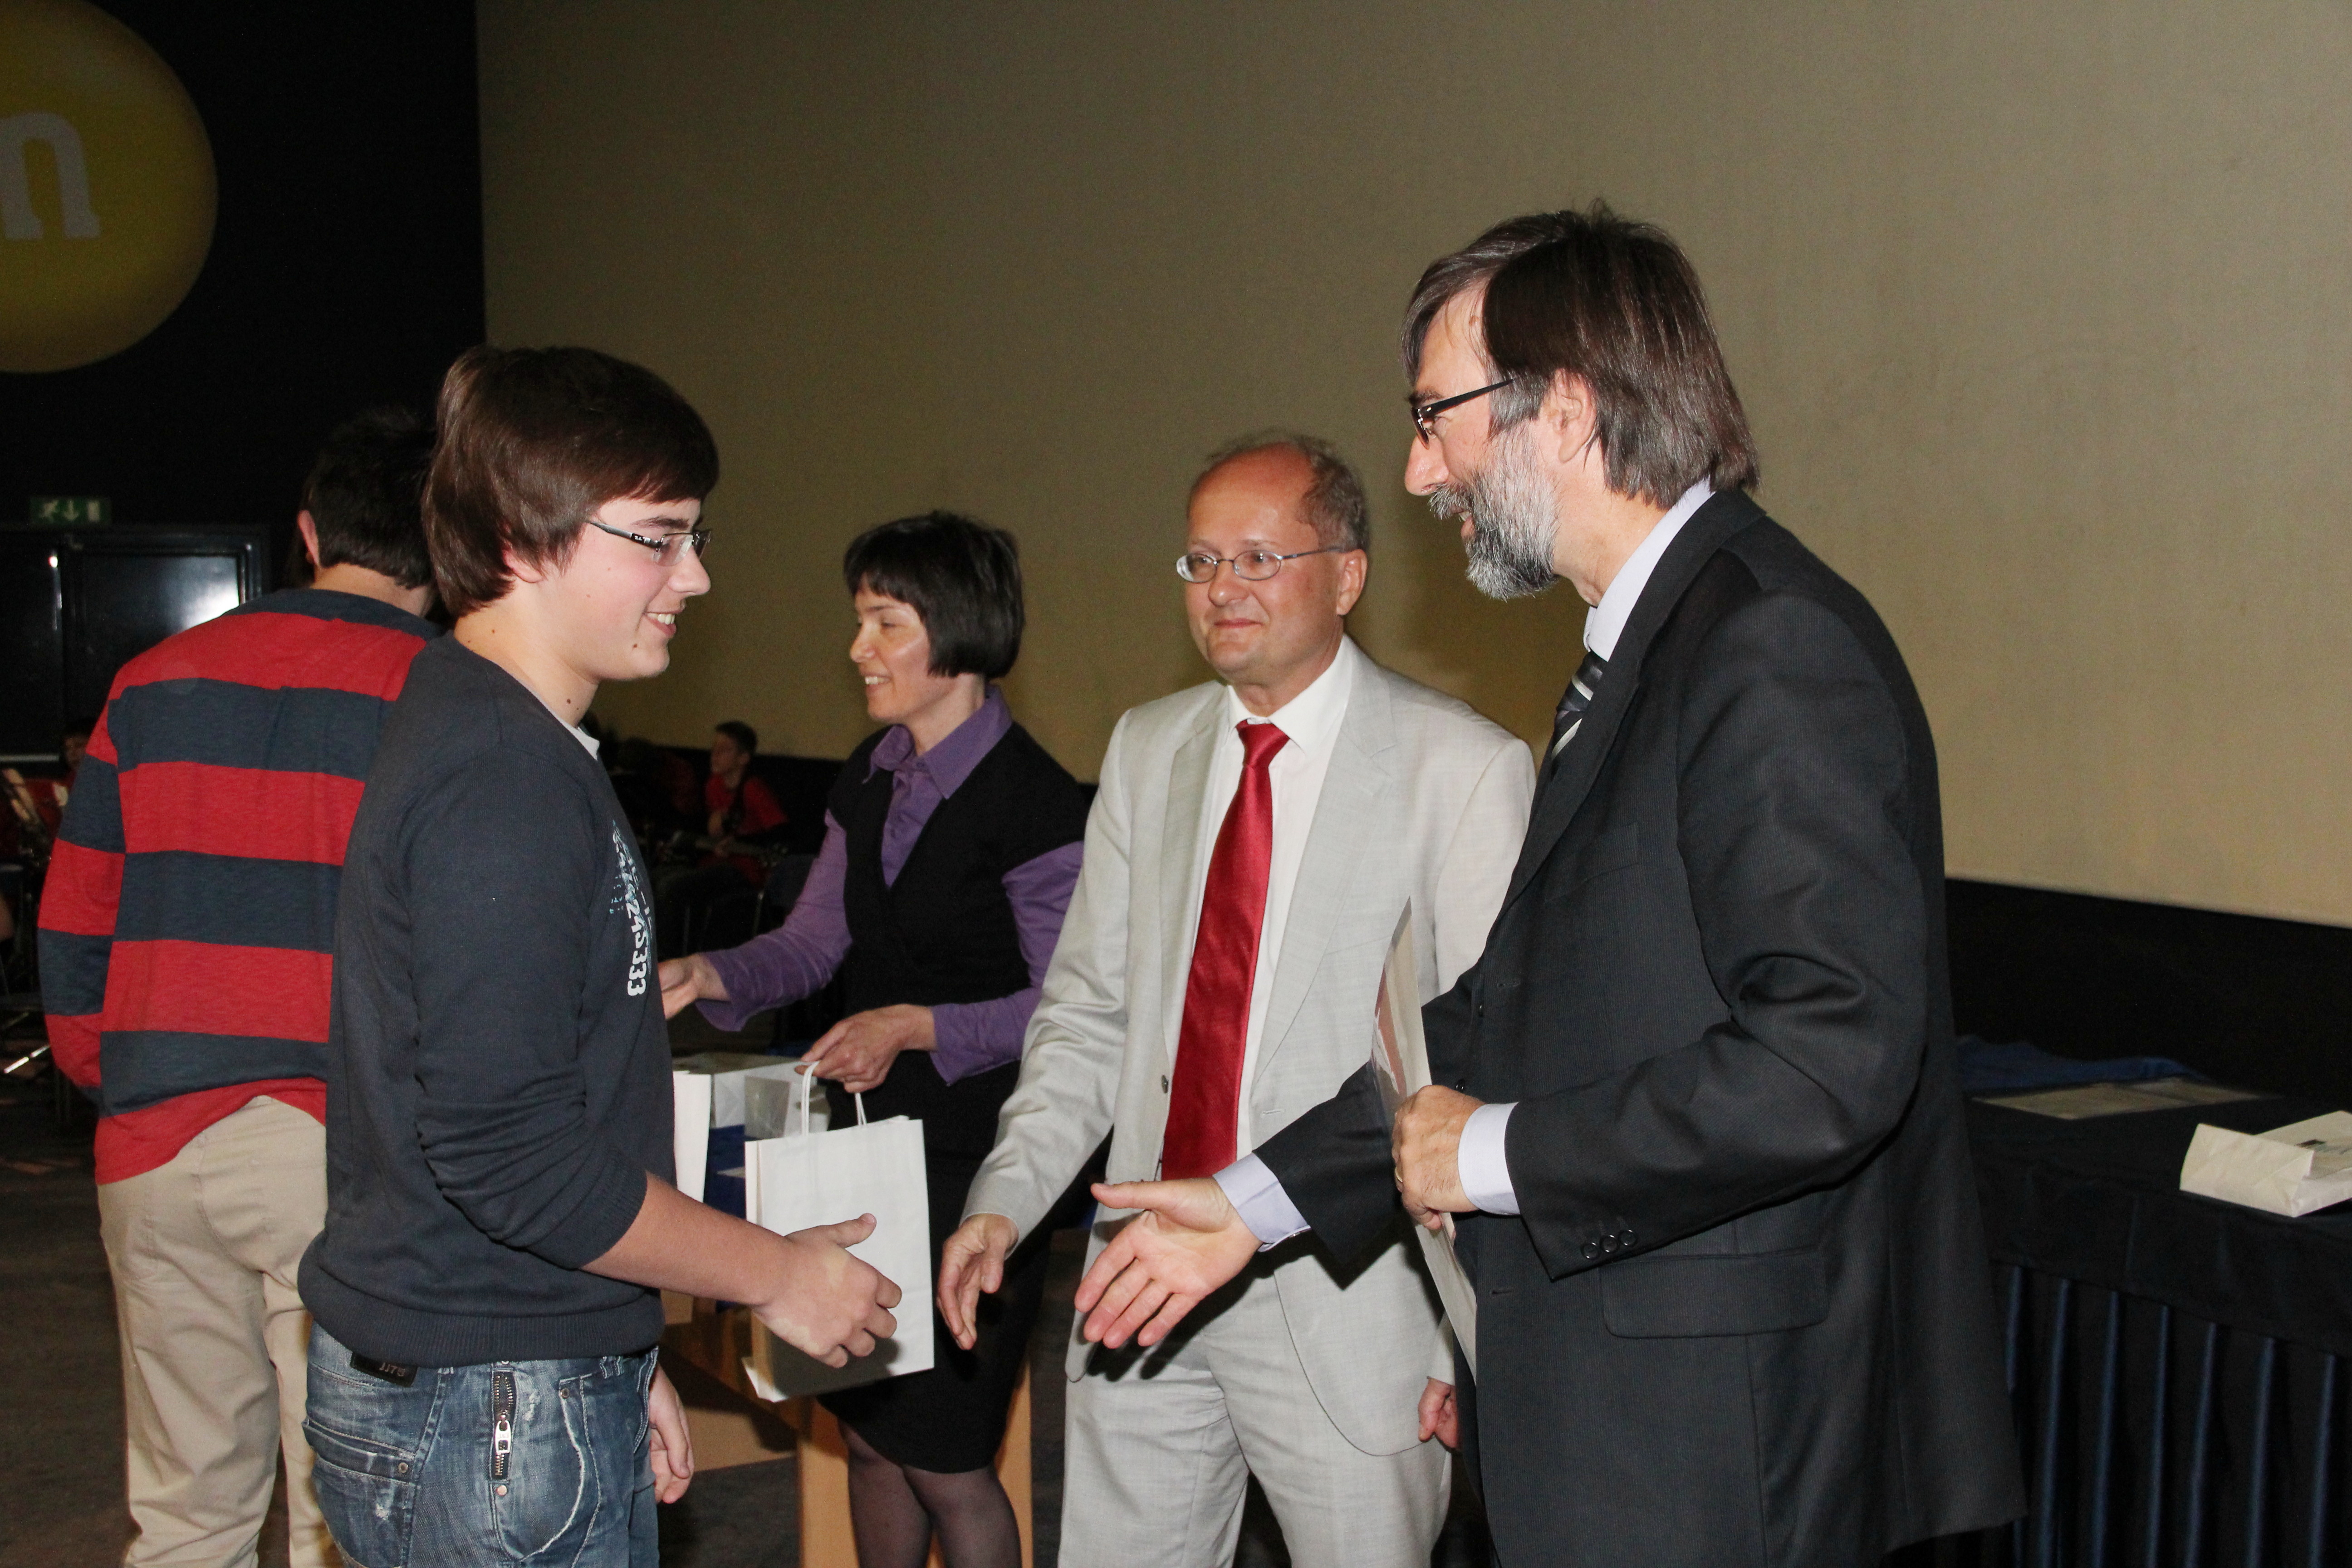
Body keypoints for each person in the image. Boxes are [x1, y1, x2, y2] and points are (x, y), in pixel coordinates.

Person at [1069, 207, 2026, 1567]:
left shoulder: (1768, 643)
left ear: (1564, 410)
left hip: (1718, 1443)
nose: (1419, 471)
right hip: (1629, 1421)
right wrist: (1256, 1200)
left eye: (1435, 417)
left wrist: (1493, 1155)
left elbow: (1829, 1056)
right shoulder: (1646, 650)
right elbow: (1502, 1026)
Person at [298, 347, 900, 1568]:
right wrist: (774, 1273)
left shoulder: (501, 733)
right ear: (519, 538)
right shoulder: (500, 779)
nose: (696, 576)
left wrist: (610, 1354)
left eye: (695, 536)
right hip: (485, 1404)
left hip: (508, 1378)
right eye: (658, 538)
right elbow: (510, 1154)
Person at [936, 435, 1533, 1568]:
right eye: (1202, 561)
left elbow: (1475, 1076)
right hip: (1140, 1274)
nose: (1223, 588)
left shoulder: (1458, 769)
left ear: (1347, 575)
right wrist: (1006, 1200)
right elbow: (1088, 1015)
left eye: (1260, 558)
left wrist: (1477, 1345)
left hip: (1350, 1300)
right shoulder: (1148, 748)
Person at [38, 407, 442, 1568]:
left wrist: (125, 1080)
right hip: (342, 1147)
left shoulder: (150, 683)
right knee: (344, 1510)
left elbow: (73, 922)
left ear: (307, 532)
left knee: (185, 1511)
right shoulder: (445, 694)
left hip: (154, 1141)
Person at [661, 510, 1088, 1568]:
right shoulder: (870, 773)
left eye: (885, 623)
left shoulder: (1034, 802)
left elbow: (1071, 1007)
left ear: (961, 631)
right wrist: (710, 972)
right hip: (872, 1154)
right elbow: (814, 942)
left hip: (988, 1167)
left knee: (949, 1461)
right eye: (859, 620)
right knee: (868, 1437)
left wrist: (918, 1026)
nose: (858, 648)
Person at [653, 718, 789, 955]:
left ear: (743, 758)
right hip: (716, 862)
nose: (714, 755)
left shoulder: (753, 789)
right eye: (714, 748)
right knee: (656, 878)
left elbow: (780, 832)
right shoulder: (713, 785)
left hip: (744, 869)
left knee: (672, 888)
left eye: (724, 750)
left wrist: (739, 842)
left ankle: (668, 958)